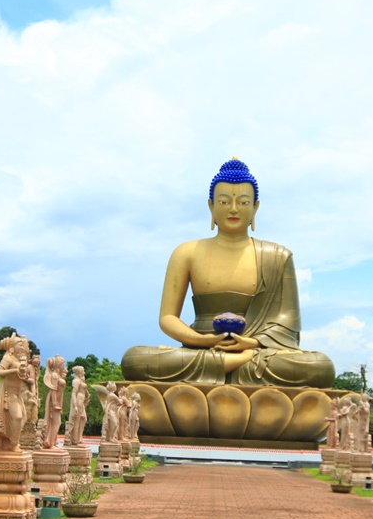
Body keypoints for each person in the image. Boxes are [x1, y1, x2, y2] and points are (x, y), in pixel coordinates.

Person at [122, 159, 335, 388]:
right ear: (211, 206)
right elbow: (167, 318)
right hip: (200, 350)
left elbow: (287, 324)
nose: (233, 209)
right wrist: (203, 341)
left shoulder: (278, 255)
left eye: (243, 202)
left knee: (320, 366)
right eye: (224, 201)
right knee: (135, 359)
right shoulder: (186, 253)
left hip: (256, 352)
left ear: (255, 207)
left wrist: (251, 344)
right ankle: (234, 364)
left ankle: (228, 365)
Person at [0, 333, 30, 453]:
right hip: (9, 394)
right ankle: (13, 444)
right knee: (17, 417)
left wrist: (24, 373)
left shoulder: (17, 359)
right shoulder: (7, 357)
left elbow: (22, 376)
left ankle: (13, 443)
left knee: (22, 418)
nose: (22, 347)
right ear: (12, 347)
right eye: (19, 344)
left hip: (17, 394)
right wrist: (14, 370)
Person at [41, 356, 68, 449]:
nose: (64, 366)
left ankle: (53, 442)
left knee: (56, 422)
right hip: (53, 400)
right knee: (56, 422)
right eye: (63, 364)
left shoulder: (58, 375)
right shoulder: (55, 375)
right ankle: (50, 442)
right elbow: (53, 389)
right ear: (58, 365)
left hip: (58, 400)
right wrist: (55, 403)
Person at [64, 366, 90, 446]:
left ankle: (79, 438)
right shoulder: (76, 381)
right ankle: (75, 440)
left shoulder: (80, 380)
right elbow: (73, 393)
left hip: (81, 401)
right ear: (79, 372)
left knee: (83, 419)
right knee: (77, 420)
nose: (84, 372)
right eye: (82, 371)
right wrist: (75, 405)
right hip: (78, 401)